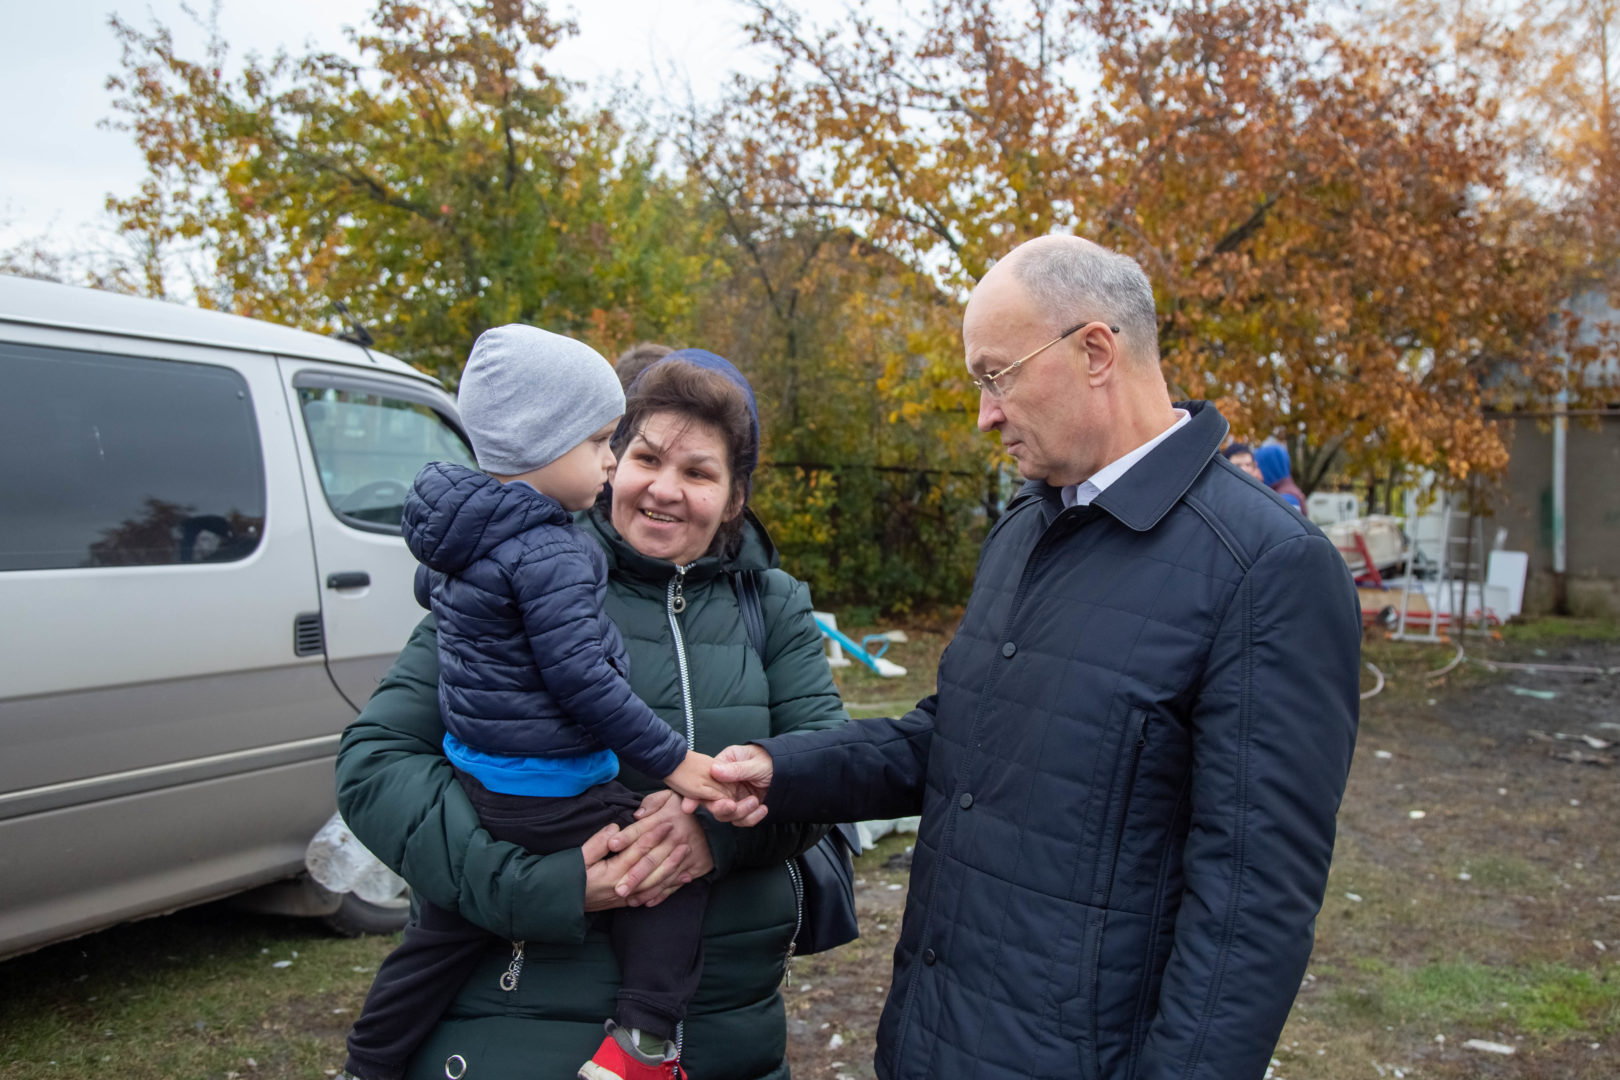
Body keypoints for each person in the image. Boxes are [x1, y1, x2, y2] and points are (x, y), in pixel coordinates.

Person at [707, 235, 1361, 1080]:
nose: (984, 413)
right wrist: (781, 768)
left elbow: (1251, 912)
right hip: (935, 1041)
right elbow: (960, 739)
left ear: (1095, 351)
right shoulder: (1027, 526)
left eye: (996, 374)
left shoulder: (1266, 568)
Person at [335, 349, 850, 1080]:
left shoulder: (772, 608)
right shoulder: (519, 570)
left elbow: (829, 771)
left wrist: (710, 838)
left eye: (699, 473)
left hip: (725, 1042)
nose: (664, 490)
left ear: (735, 497)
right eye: (646, 457)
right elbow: (374, 764)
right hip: (519, 1034)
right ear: (610, 460)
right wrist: (536, 888)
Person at [1254, 439, 1308, 512]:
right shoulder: (1282, 492)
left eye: (1257, 467)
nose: (1256, 472)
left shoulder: (1287, 498)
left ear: (1269, 468)